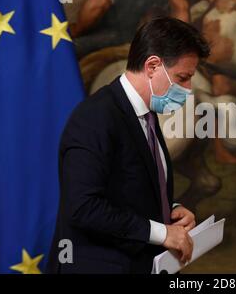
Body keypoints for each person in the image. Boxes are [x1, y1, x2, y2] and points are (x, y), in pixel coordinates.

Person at [47, 17, 211, 274]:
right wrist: (162, 232)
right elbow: (83, 207)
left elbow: (128, 188)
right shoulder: (96, 117)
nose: (188, 89)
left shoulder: (147, 114)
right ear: (153, 66)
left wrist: (170, 210)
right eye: (183, 78)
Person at [70, 0, 190, 58]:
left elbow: (98, 4)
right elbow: (182, 6)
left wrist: (76, 29)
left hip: (104, 37)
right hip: (133, 39)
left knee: (62, 48)